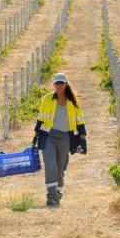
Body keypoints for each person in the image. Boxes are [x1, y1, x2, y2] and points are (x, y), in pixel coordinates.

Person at [33, 72, 87, 208]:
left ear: (66, 84)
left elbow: (80, 121)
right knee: (50, 164)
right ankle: (51, 196)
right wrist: (35, 135)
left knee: (61, 166)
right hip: (48, 135)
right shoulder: (47, 99)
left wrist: (83, 139)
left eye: (61, 83)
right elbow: (40, 118)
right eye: (57, 83)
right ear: (54, 85)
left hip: (65, 137)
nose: (59, 85)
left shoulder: (73, 102)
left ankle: (58, 191)